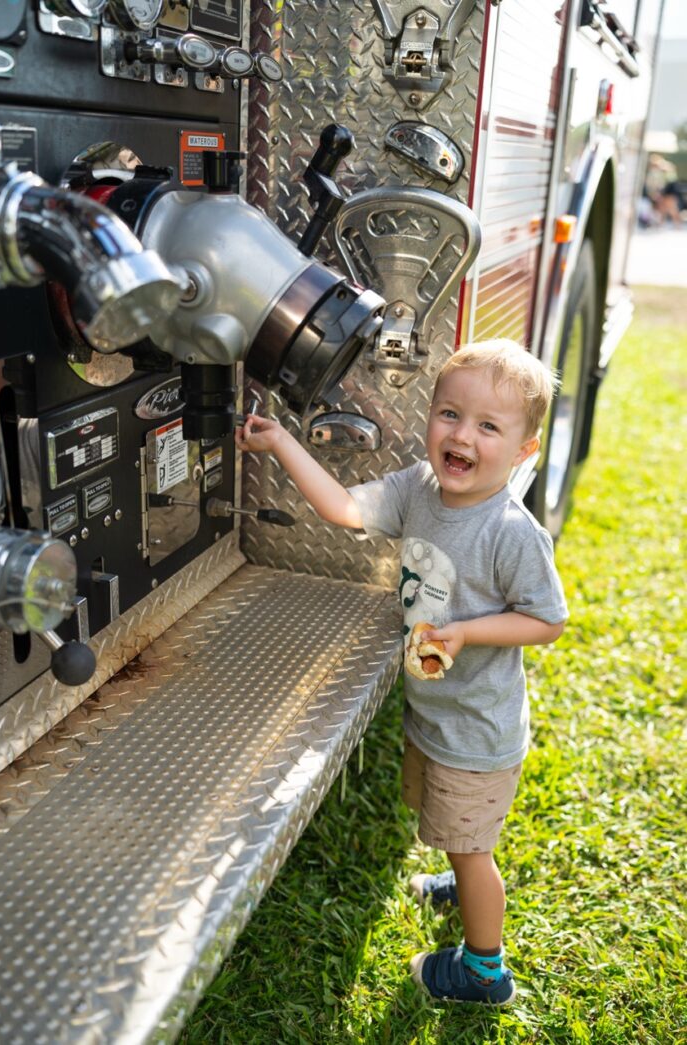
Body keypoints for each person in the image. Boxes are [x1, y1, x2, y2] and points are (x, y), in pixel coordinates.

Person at [235, 338, 568, 1006]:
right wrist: (280, 444)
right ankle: (462, 874)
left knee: (474, 849)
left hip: (476, 732)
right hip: (438, 714)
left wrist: (468, 630)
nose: (461, 434)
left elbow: (548, 620)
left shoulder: (510, 531)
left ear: (524, 450)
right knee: (458, 835)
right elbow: (343, 509)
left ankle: (484, 969)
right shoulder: (419, 488)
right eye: (449, 413)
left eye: (488, 426)